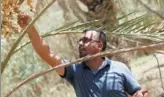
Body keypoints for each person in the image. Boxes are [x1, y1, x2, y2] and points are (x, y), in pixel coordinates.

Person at [18, 12, 148, 97]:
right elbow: (46, 54)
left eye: (85, 40)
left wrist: (139, 94)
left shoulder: (120, 68)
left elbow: (136, 92)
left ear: (99, 46)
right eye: (79, 40)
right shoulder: (74, 70)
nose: (80, 43)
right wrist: (31, 29)